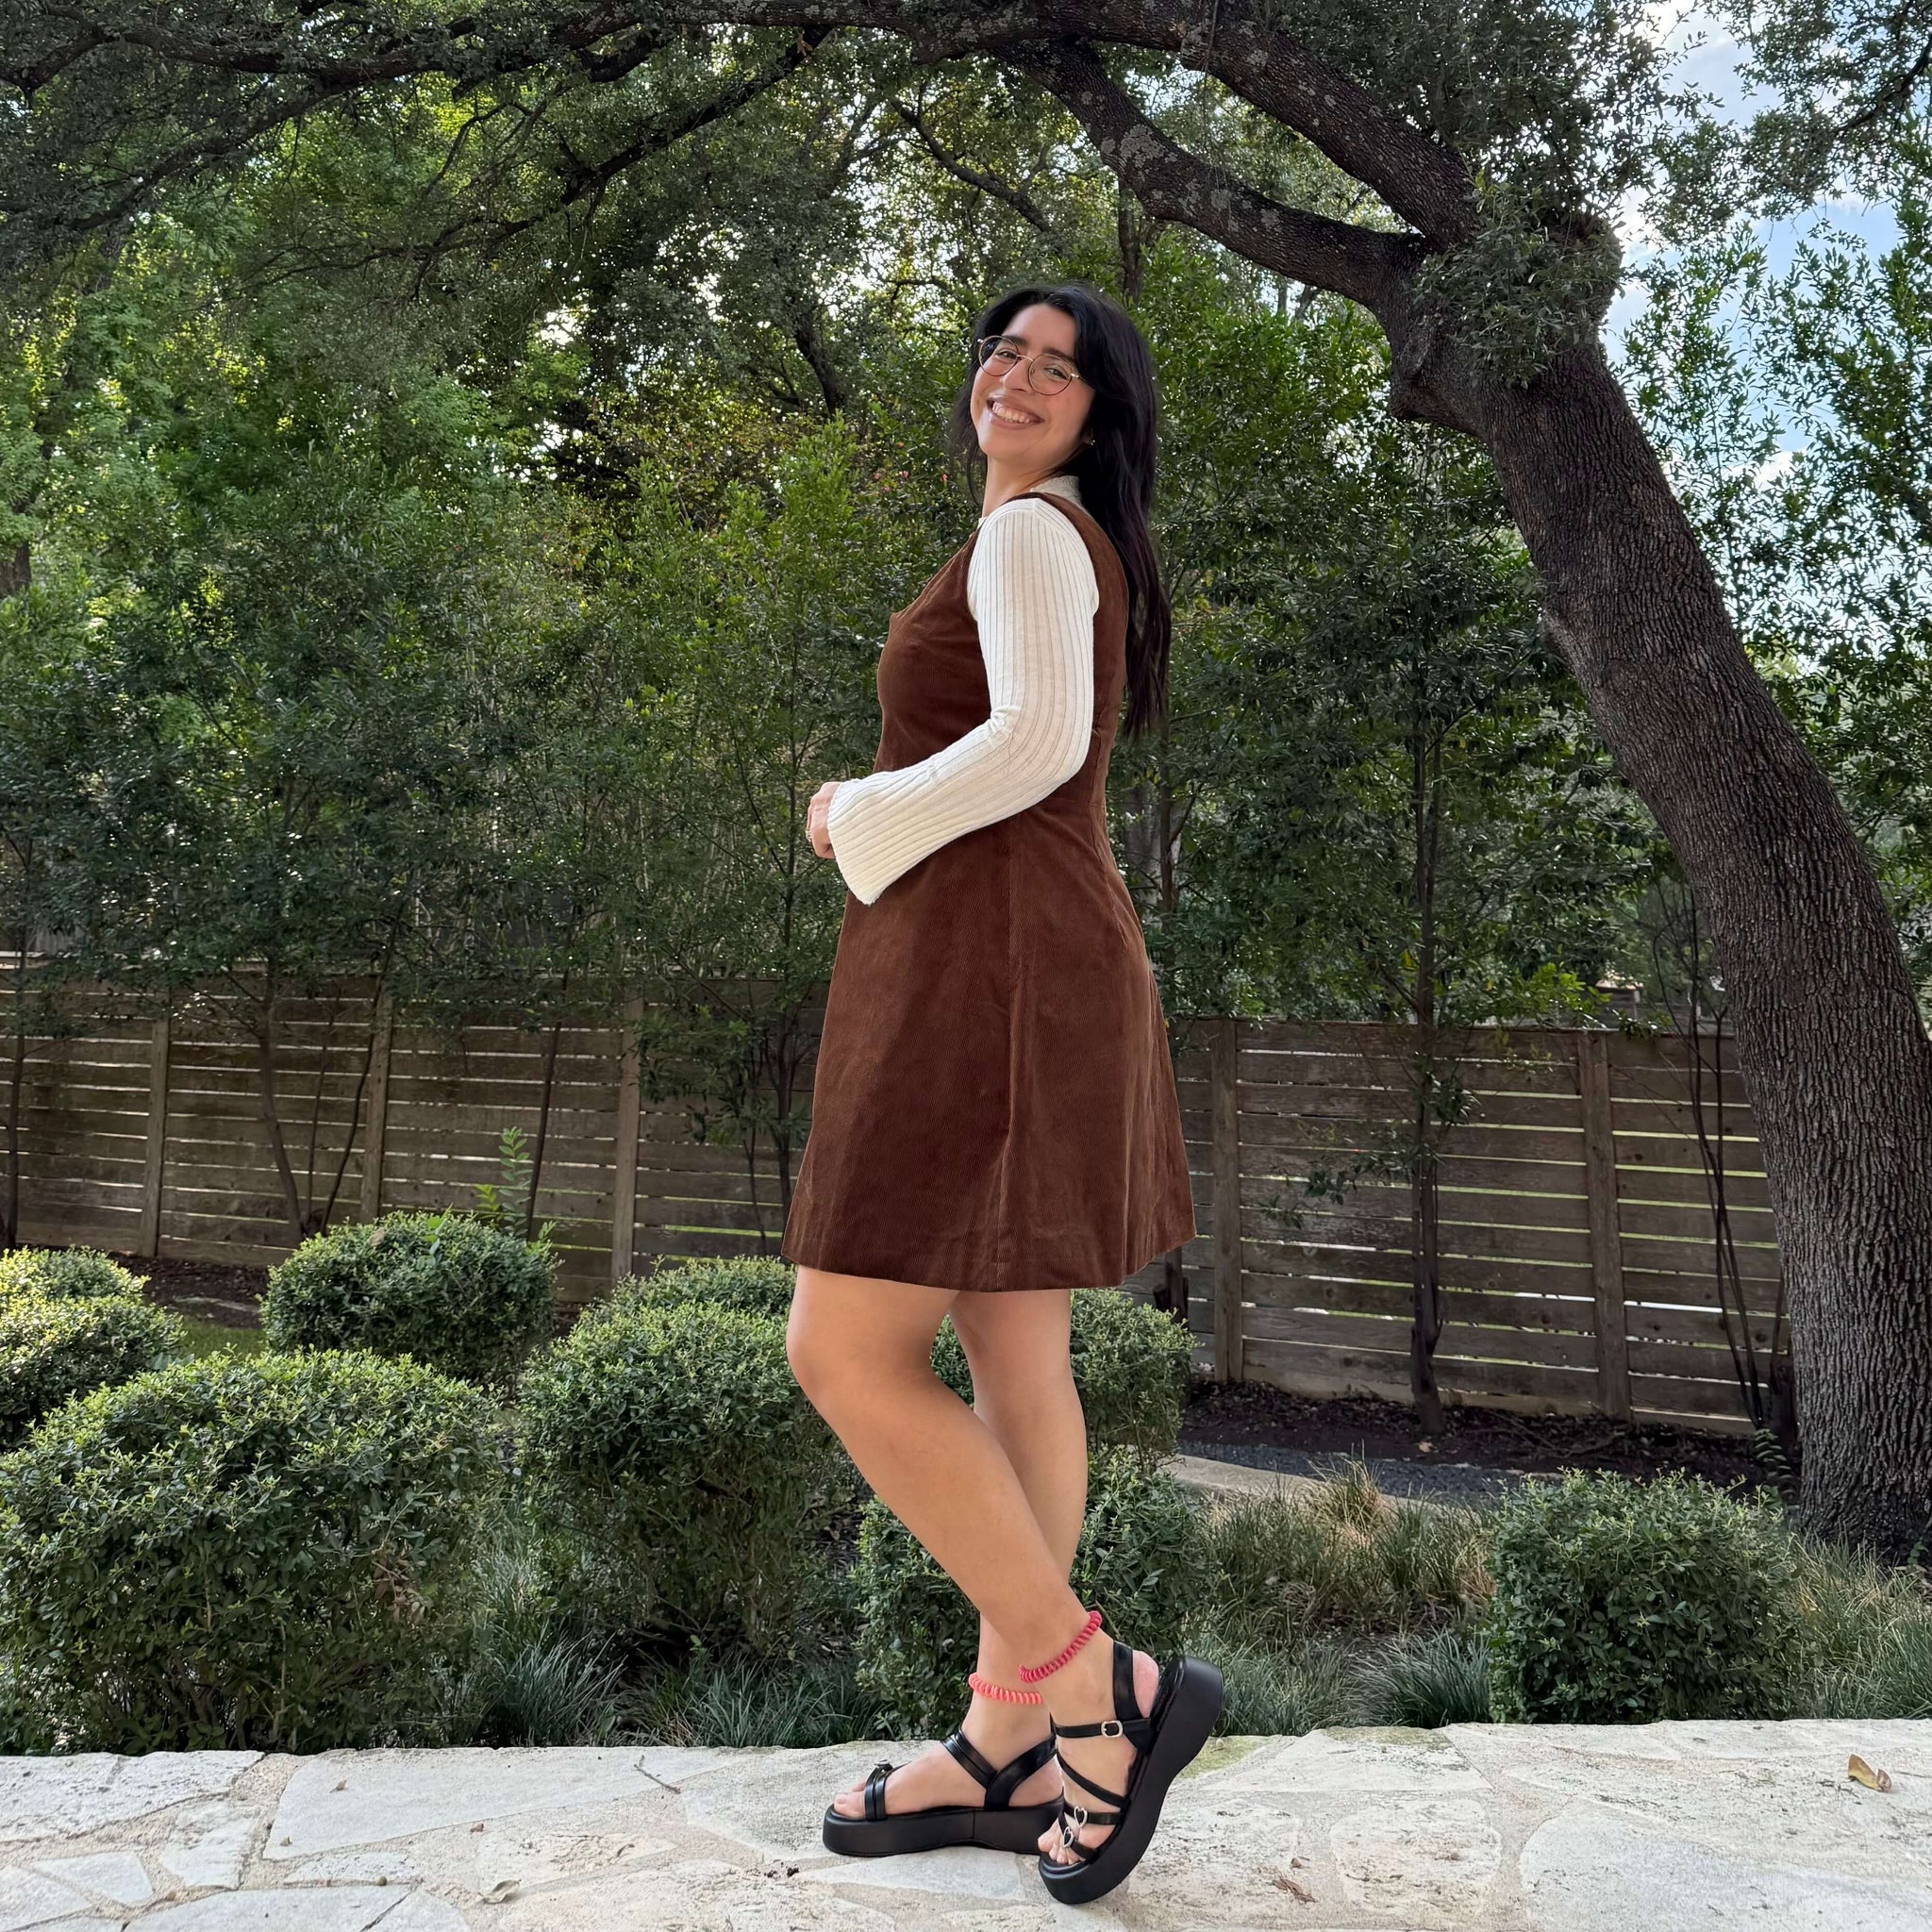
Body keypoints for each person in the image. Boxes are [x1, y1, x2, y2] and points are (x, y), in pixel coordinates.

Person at [778, 282, 1219, 1907]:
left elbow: (1033, 741)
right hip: (1029, 961)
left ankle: (1096, 1692)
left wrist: (856, 810)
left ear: (1100, 415)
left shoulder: (1034, 534)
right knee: (1018, 1356)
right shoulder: (1054, 540)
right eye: (1006, 352)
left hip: (988, 976)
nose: (1020, 378)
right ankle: (1006, 1743)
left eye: (1062, 367)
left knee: (843, 1350)